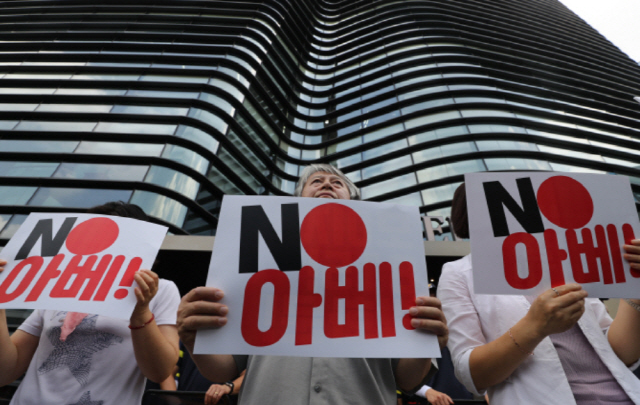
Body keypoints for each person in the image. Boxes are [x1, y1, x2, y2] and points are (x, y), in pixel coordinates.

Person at [177, 163, 449, 405]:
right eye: (316, 181)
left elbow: (407, 379)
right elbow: (223, 371)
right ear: (298, 200)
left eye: (337, 183)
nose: (327, 184)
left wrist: (426, 343)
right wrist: (193, 340)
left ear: (355, 201)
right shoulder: (254, 265)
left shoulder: (392, 263)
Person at [438, 183, 640, 404]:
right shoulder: (458, 273)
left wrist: (635, 293)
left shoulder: (565, 262)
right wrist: (535, 326)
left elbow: (620, 354)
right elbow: (472, 375)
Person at [0, 202, 180, 405]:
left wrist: (140, 312)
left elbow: (160, 371)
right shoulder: (56, 285)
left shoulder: (161, 290)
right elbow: (5, 371)